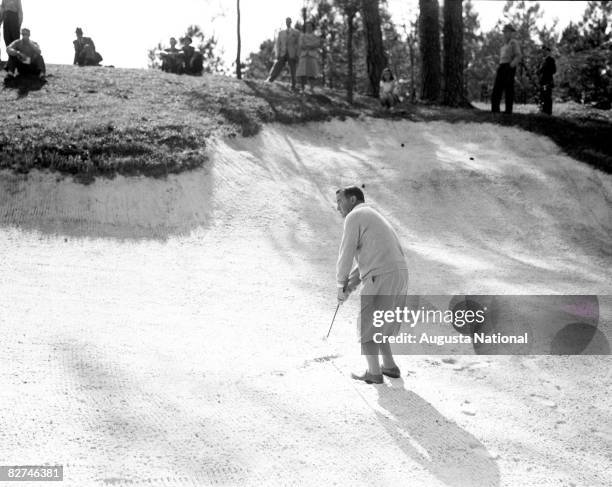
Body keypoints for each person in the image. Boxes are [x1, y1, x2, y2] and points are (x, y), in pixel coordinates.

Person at [335, 186, 409, 384]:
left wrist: (340, 284)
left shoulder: (355, 216)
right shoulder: (372, 214)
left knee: (367, 323)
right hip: (399, 274)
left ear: (352, 199)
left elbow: (346, 254)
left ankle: (374, 373)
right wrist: (348, 287)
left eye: (339, 201)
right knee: (380, 322)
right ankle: (389, 366)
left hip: (383, 275)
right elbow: (366, 263)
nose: (337, 207)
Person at [491, 24, 522, 114]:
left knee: (508, 89)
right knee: (497, 88)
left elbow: (518, 55)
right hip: (502, 66)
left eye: (508, 32)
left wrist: (511, 66)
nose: (505, 34)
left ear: (512, 33)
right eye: (504, 32)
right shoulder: (503, 45)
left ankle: (508, 110)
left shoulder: (513, 43)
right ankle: (495, 109)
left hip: (509, 66)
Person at [266, 17, 300, 91]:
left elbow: (298, 45)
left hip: (292, 53)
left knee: (293, 69)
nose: (288, 22)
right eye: (287, 21)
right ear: (285, 22)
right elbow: (277, 44)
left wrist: (297, 55)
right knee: (277, 65)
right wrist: (277, 54)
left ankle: (293, 85)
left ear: (291, 22)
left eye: (289, 21)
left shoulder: (296, 32)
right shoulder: (281, 33)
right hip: (282, 53)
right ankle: (270, 79)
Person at [296, 21, 320, 93]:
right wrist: (310, 45)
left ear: (313, 27)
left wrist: (308, 45)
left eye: (310, 26)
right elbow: (301, 45)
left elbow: (316, 44)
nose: (308, 27)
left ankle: (311, 88)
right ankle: (302, 88)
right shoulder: (302, 36)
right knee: (302, 72)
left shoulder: (315, 36)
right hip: (304, 55)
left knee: (312, 72)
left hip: (312, 55)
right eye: (307, 26)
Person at [538, 45, 556, 115]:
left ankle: (548, 112)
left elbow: (554, 70)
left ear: (548, 52)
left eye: (545, 51)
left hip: (548, 80)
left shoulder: (551, 60)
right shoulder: (542, 60)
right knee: (542, 96)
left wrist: (545, 71)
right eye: (543, 51)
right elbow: (540, 70)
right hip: (542, 80)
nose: (543, 52)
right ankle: (543, 111)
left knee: (548, 96)